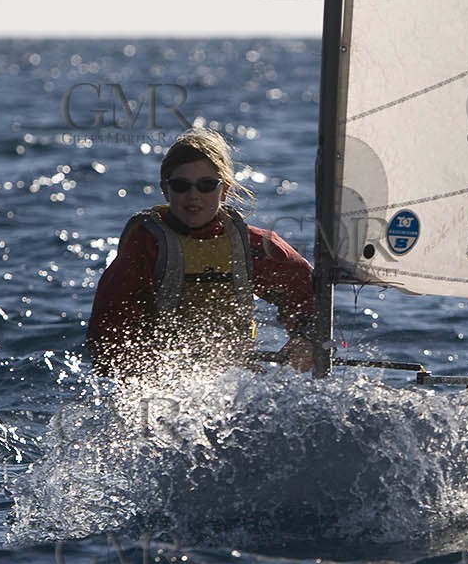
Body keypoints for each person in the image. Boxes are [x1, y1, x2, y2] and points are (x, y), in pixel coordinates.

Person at [86, 128, 314, 377]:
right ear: (165, 188)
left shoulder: (253, 246)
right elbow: (106, 332)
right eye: (181, 185)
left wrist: (303, 338)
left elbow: (309, 293)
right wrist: (141, 365)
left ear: (224, 189)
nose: (193, 196)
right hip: (163, 382)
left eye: (207, 185)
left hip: (237, 381)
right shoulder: (146, 247)